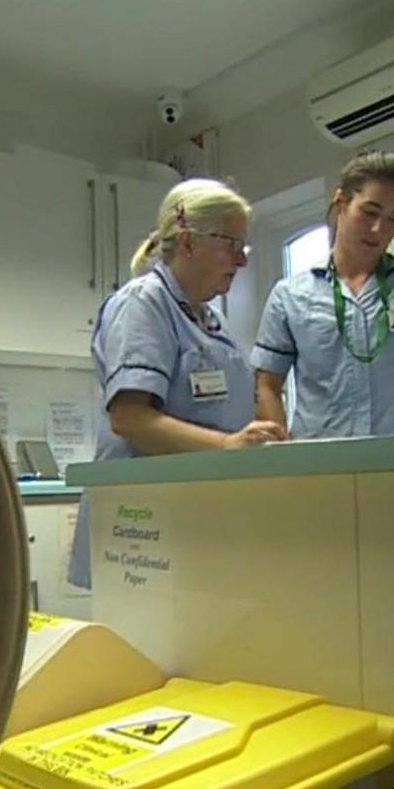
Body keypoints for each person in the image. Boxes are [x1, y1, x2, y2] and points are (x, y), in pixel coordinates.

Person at [67, 178, 287, 589]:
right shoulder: (142, 304)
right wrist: (226, 446)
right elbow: (131, 419)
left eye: (245, 248)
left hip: (193, 520)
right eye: (231, 245)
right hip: (141, 524)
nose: (241, 261)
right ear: (187, 242)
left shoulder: (209, 320)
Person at [250, 151, 394, 439]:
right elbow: (266, 385)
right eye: (369, 212)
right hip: (322, 465)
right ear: (340, 202)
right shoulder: (290, 297)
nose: (379, 229)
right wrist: (284, 452)